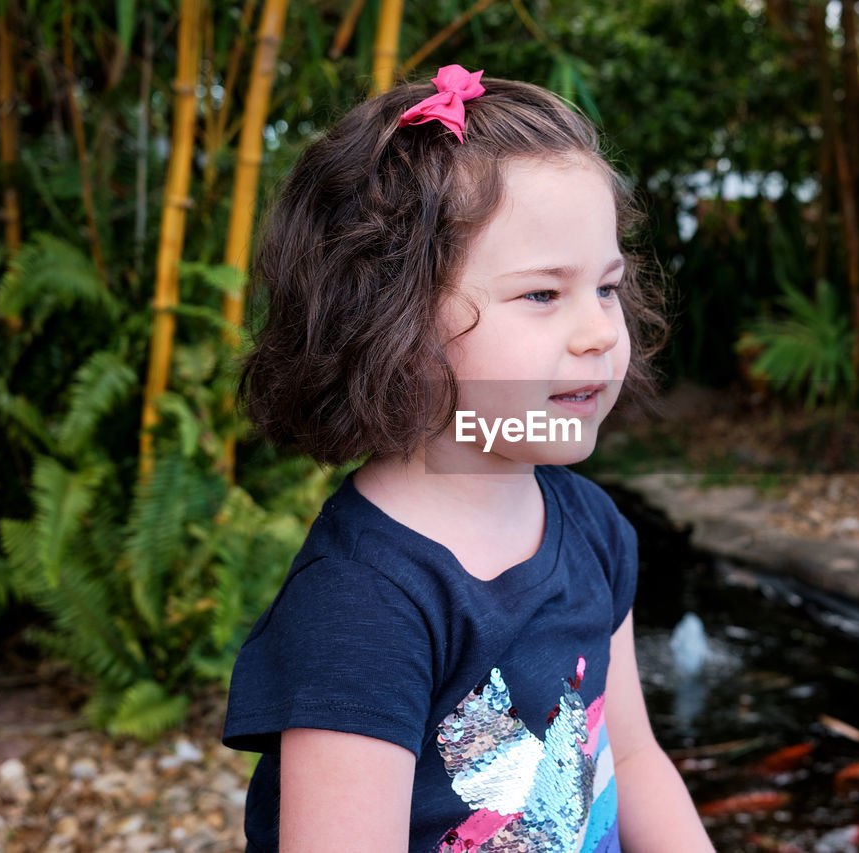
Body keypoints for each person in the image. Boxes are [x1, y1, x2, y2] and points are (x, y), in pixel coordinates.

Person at [222, 65, 715, 853]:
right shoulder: (361, 607)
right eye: (543, 295)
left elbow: (632, 756)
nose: (598, 331)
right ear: (397, 320)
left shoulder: (590, 527)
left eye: (608, 287)